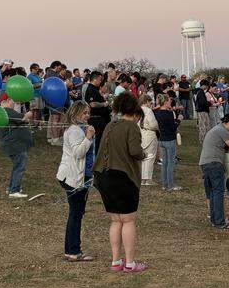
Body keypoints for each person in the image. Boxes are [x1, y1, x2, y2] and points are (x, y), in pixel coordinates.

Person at [94, 92, 148, 273]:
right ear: (134, 109)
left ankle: (116, 261)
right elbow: (135, 151)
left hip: (104, 176)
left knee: (115, 220)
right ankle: (130, 263)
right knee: (128, 220)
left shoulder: (110, 125)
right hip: (123, 177)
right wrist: (143, 154)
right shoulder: (131, 126)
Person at [56, 101, 95, 261]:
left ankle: (71, 250)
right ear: (76, 113)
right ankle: (73, 251)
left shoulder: (79, 129)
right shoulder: (74, 130)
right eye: (84, 112)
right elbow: (78, 153)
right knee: (76, 214)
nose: (87, 115)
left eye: (88, 112)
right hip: (73, 178)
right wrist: (88, 137)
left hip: (81, 176)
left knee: (77, 213)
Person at [199, 116, 229, 229]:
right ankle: (219, 222)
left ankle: (215, 220)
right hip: (214, 163)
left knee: (213, 192)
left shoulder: (215, 129)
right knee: (218, 192)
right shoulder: (222, 130)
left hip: (205, 163)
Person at [0, 96, 35, 198]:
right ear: (7, 101)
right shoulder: (7, 111)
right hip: (15, 145)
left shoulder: (2, 113)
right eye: (13, 101)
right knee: (19, 167)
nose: (14, 103)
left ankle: (12, 187)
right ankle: (14, 190)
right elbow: (23, 118)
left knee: (17, 166)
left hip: (12, 144)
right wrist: (29, 113)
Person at [152, 94, 182, 191]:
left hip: (162, 139)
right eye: (169, 101)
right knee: (170, 163)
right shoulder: (169, 113)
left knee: (164, 162)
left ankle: (164, 184)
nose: (170, 102)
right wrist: (179, 120)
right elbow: (173, 127)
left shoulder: (157, 114)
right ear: (165, 102)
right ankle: (170, 185)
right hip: (169, 139)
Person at [138, 94, 159, 188]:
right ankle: (147, 179)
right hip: (149, 134)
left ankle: (142, 178)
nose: (151, 104)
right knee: (150, 157)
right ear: (146, 102)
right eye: (150, 102)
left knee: (143, 157)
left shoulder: (137, 110)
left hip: (140, 134)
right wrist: (158, 127)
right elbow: (153, 124)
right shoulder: (148, 111)